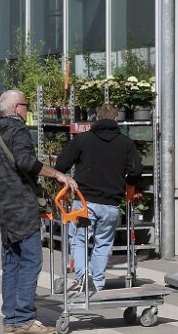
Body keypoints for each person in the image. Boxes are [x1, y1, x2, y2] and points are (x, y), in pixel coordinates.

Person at [0, 90, 77, 334]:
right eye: (26, 106)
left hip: (3, 205)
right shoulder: (18, 131)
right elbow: (25, 162)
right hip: (21, 206)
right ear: (17, 108)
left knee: (11, 261)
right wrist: (57, 174)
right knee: (31, 260)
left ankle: (12, 319)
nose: (28, 111)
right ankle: (24, 318)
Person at [55, 104, 143, 292]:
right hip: (110, 204)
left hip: (84, 203)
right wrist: (128, 181)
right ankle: (98, 283)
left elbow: (61, 164)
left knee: (80, 240)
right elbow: (136, 170)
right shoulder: (126, 143)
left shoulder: (83, 140)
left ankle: (83, 275)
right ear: (115, 119)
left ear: (95, 118)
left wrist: (63, 179)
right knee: (103, 243)